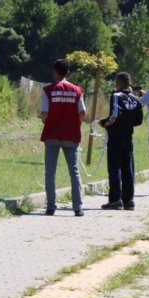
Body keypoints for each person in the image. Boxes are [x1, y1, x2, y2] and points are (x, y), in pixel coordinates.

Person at [40, 59, 86, 217]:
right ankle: (78, 207)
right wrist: (72, 123)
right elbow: (82, 113)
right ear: (68, 73)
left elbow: (44, 114)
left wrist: (50, 121)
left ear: (54, 71)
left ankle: (51, 206)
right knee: (74, 171)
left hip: (52, 134)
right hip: (71, 135)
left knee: (50, 172)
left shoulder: (48, 90)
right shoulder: (77, 90)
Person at [99, 72, 143, 211]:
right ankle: (129, 200)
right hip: (128, 137)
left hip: (116, 137)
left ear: (118, 83)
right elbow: (139, 120)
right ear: (129, 83)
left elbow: (115, 115)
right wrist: (127, 124)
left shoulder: (116, 95)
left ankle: (115, 200)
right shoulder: (136, 99)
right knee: (128, 169)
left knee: (115, 168)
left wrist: (105, 123)